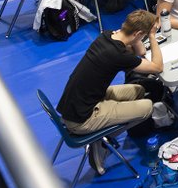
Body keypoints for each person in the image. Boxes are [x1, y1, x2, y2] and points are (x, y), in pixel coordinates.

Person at [56, 10, 162, 174]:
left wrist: (138, 34)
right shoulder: (118, 55)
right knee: (147, 106)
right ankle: (101, 139)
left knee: (139, 90)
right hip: (81, 119)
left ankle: (106, 128)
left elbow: (140, 52)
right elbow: (157, 67)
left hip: (76, 103)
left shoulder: (105, 36)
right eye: (144, 35)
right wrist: (153, 37)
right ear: (139, 33)